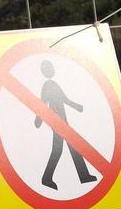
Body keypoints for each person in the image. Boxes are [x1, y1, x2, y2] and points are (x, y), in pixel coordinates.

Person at [34, 59, 98, 190]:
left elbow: (64, 99)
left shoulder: (54, 84)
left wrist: (77, 107)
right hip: (57, 122)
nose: (51, 69)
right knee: (58, 150)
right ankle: (47, 178)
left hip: (63, 121)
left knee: (72, 147)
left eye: (51, 66)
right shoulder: (47, 85)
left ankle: (83, 175)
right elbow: (42, 103)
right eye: (48, 67)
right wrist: (38, 119)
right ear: (44, 71)